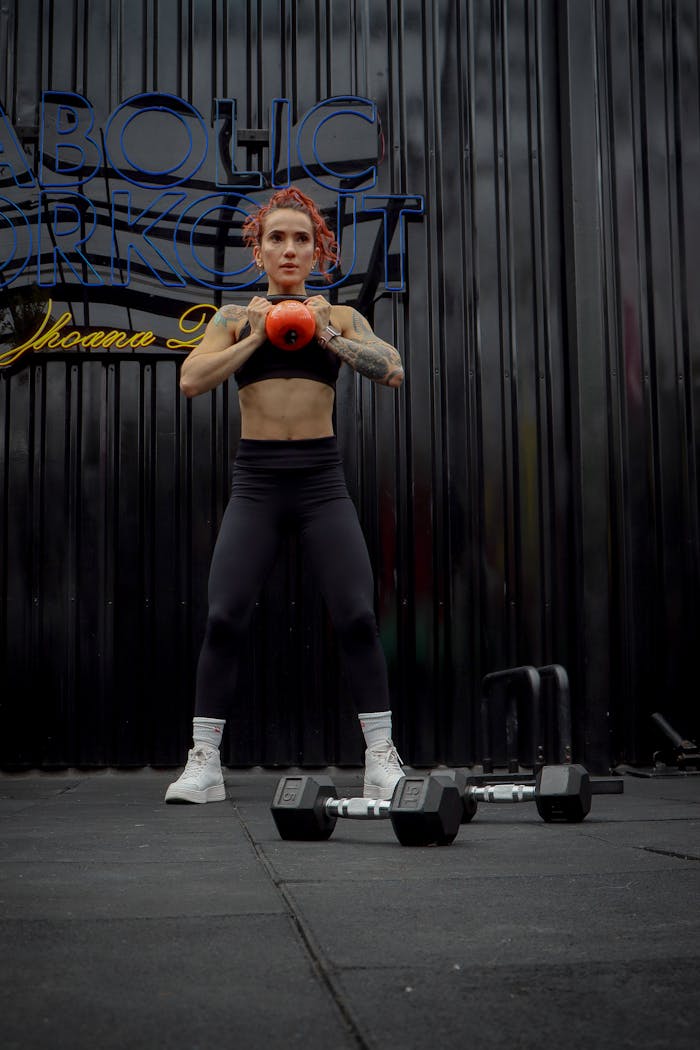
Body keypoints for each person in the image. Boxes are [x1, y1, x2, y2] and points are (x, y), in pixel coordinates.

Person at [165, 186, 406, 804]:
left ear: (317, 249)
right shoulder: (233, 319)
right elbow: (191, 380)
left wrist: (322, 333)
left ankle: (381, 758)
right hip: (258, 480)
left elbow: (392, 368)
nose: (289, 248)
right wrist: (264, 331)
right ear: (260, 250)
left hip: (321, 481)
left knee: (355, 614)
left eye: (302, 238)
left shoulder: (341, 317)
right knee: (224, 617)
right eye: (277, 238)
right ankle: (205, 765)